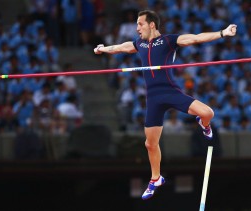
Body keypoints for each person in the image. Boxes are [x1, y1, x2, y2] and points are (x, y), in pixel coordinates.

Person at [94, 10, 237, 200]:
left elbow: (195, 38)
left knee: (208, 113)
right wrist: (104, 49)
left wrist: (222, 33)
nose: (137, 28)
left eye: (140, 24)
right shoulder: (140, 44)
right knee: (150, 144)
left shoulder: (168, 41)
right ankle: (155, 178)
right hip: (153, 98)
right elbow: (123, 47)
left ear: (151, 25)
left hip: (170, 92)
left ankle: (204, 124)